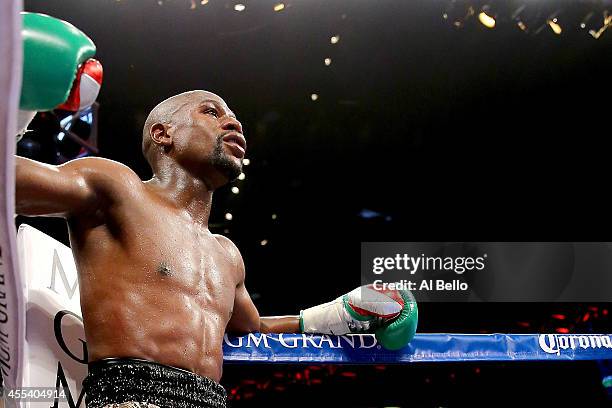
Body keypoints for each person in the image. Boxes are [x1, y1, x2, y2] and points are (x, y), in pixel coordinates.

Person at [14, 90, 417, 408]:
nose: (233, 120)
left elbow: (254, 329)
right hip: (129, 395)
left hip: (210, 399)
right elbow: (8, 183)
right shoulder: (116, 188)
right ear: (163, 134)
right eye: (211, 111)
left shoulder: (226, 255)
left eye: (232, 114)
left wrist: (342, 312)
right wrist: (18, 107)